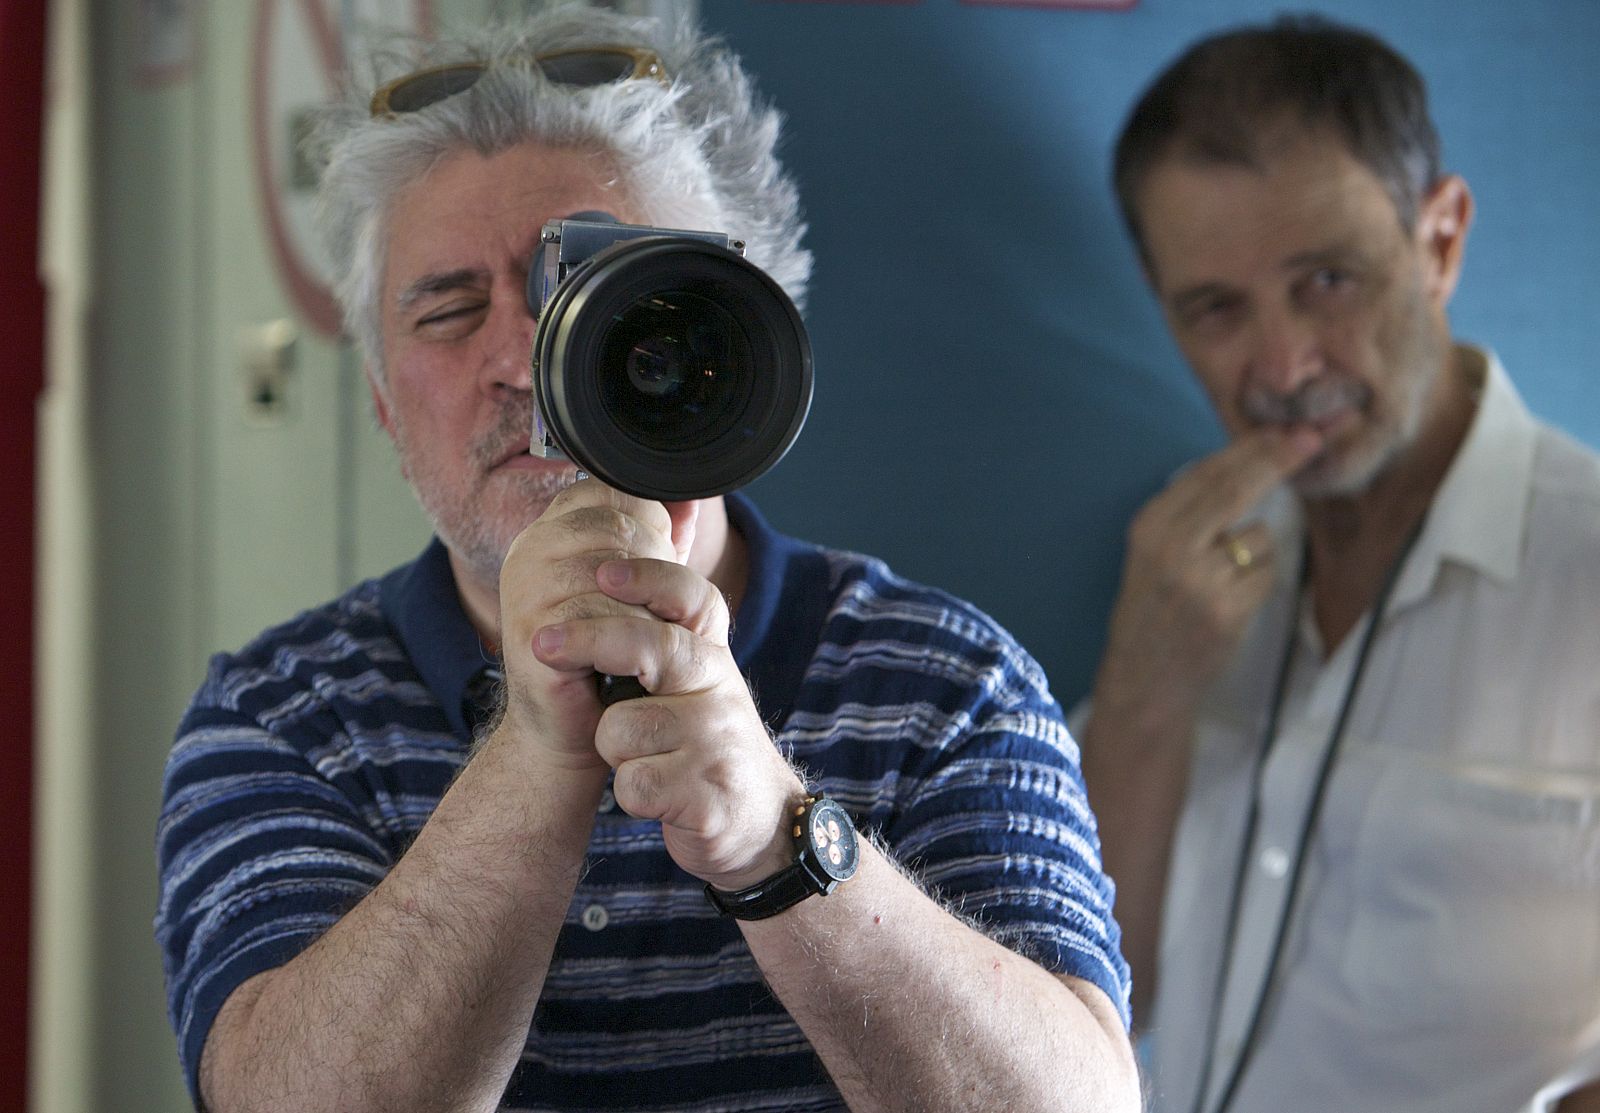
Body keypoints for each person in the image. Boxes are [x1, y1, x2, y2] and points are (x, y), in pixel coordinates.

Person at [153, 5, 1138, 1111]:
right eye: (447, 311)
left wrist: (781, 839)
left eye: (593, 296)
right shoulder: (282, 713)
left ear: (733, 330)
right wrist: (534, 751)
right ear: (381, 401)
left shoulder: (946, 683)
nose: (526, 363)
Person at [1078, 15, 1600, 1113]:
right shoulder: (1180, 568)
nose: (1280, 364)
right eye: (1214, 308)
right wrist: (1138, 701)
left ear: (1441, 240)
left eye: (1327, 280)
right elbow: (1090, 1008)